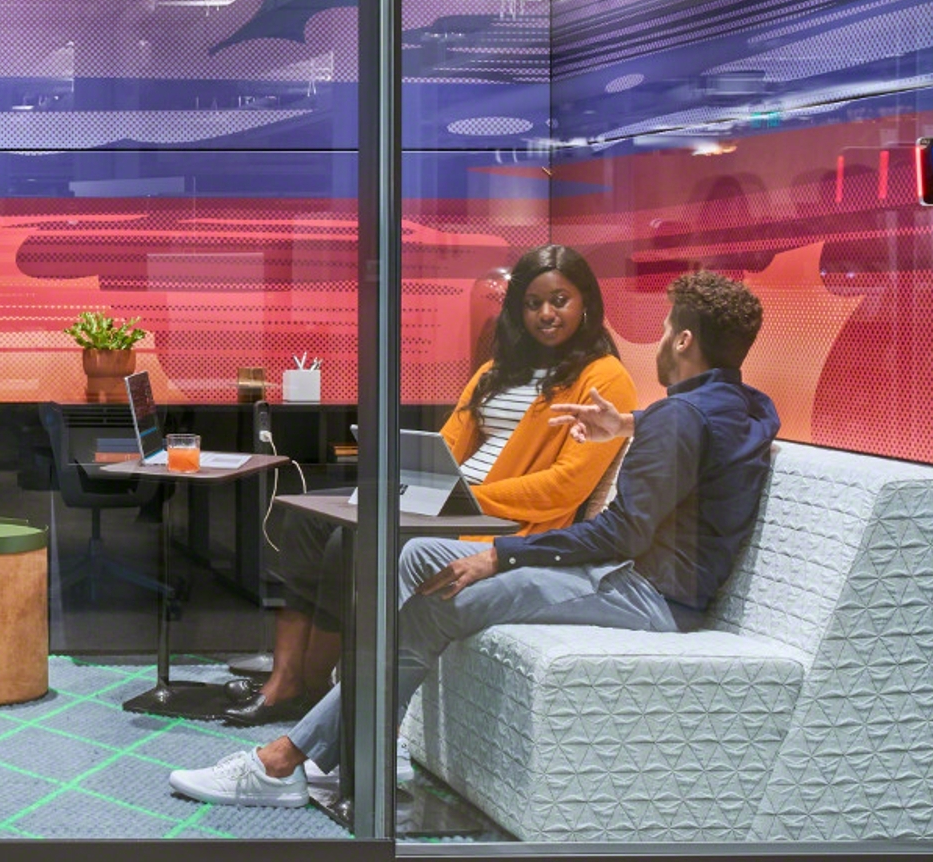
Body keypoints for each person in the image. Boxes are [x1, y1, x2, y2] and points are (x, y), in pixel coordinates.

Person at [170, 269, 775, 808]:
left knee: (430, 609)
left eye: (666, 330)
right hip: (640, 582)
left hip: (643, 595)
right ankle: (357, 734)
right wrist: (631, 423)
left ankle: (284, 761)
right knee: (419, 554)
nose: (661, 341)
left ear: (684, 341)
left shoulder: (678, 416)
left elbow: (624, 532)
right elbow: (698, 435)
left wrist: (501, 554)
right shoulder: (745, 405)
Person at [224, 244, 638, 728]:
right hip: (448, 502)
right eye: (532, 303)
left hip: (503, 521)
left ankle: (309, 686)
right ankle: (286, 678)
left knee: (347, 541)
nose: (546, 313)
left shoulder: (604, 378)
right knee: (305, 519)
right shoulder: (495, 371)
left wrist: (466, 500)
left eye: (559, 300)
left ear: (585, 302)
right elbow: (448, 444)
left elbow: (565, 487)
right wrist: (424, 483)